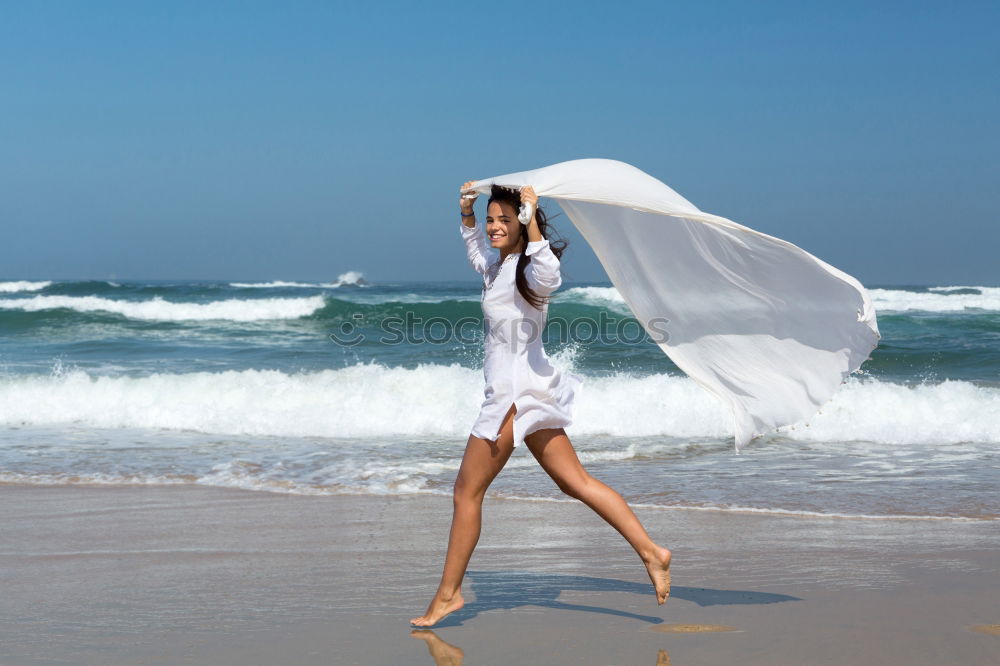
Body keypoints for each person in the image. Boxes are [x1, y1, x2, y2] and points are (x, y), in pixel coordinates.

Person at [409, 181, 672, 627]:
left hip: (510, 401)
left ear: (521, 225)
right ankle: (652, 551)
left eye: (502, 220)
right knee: (576, 482)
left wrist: (530, 221)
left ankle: (449, 596)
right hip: (529, 393)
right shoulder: (500, 266)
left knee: (465, 493)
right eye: (492, 220)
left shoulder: (529, 272)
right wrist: (467, 215)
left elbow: (549, 272)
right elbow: (477, 253)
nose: (494, 227)